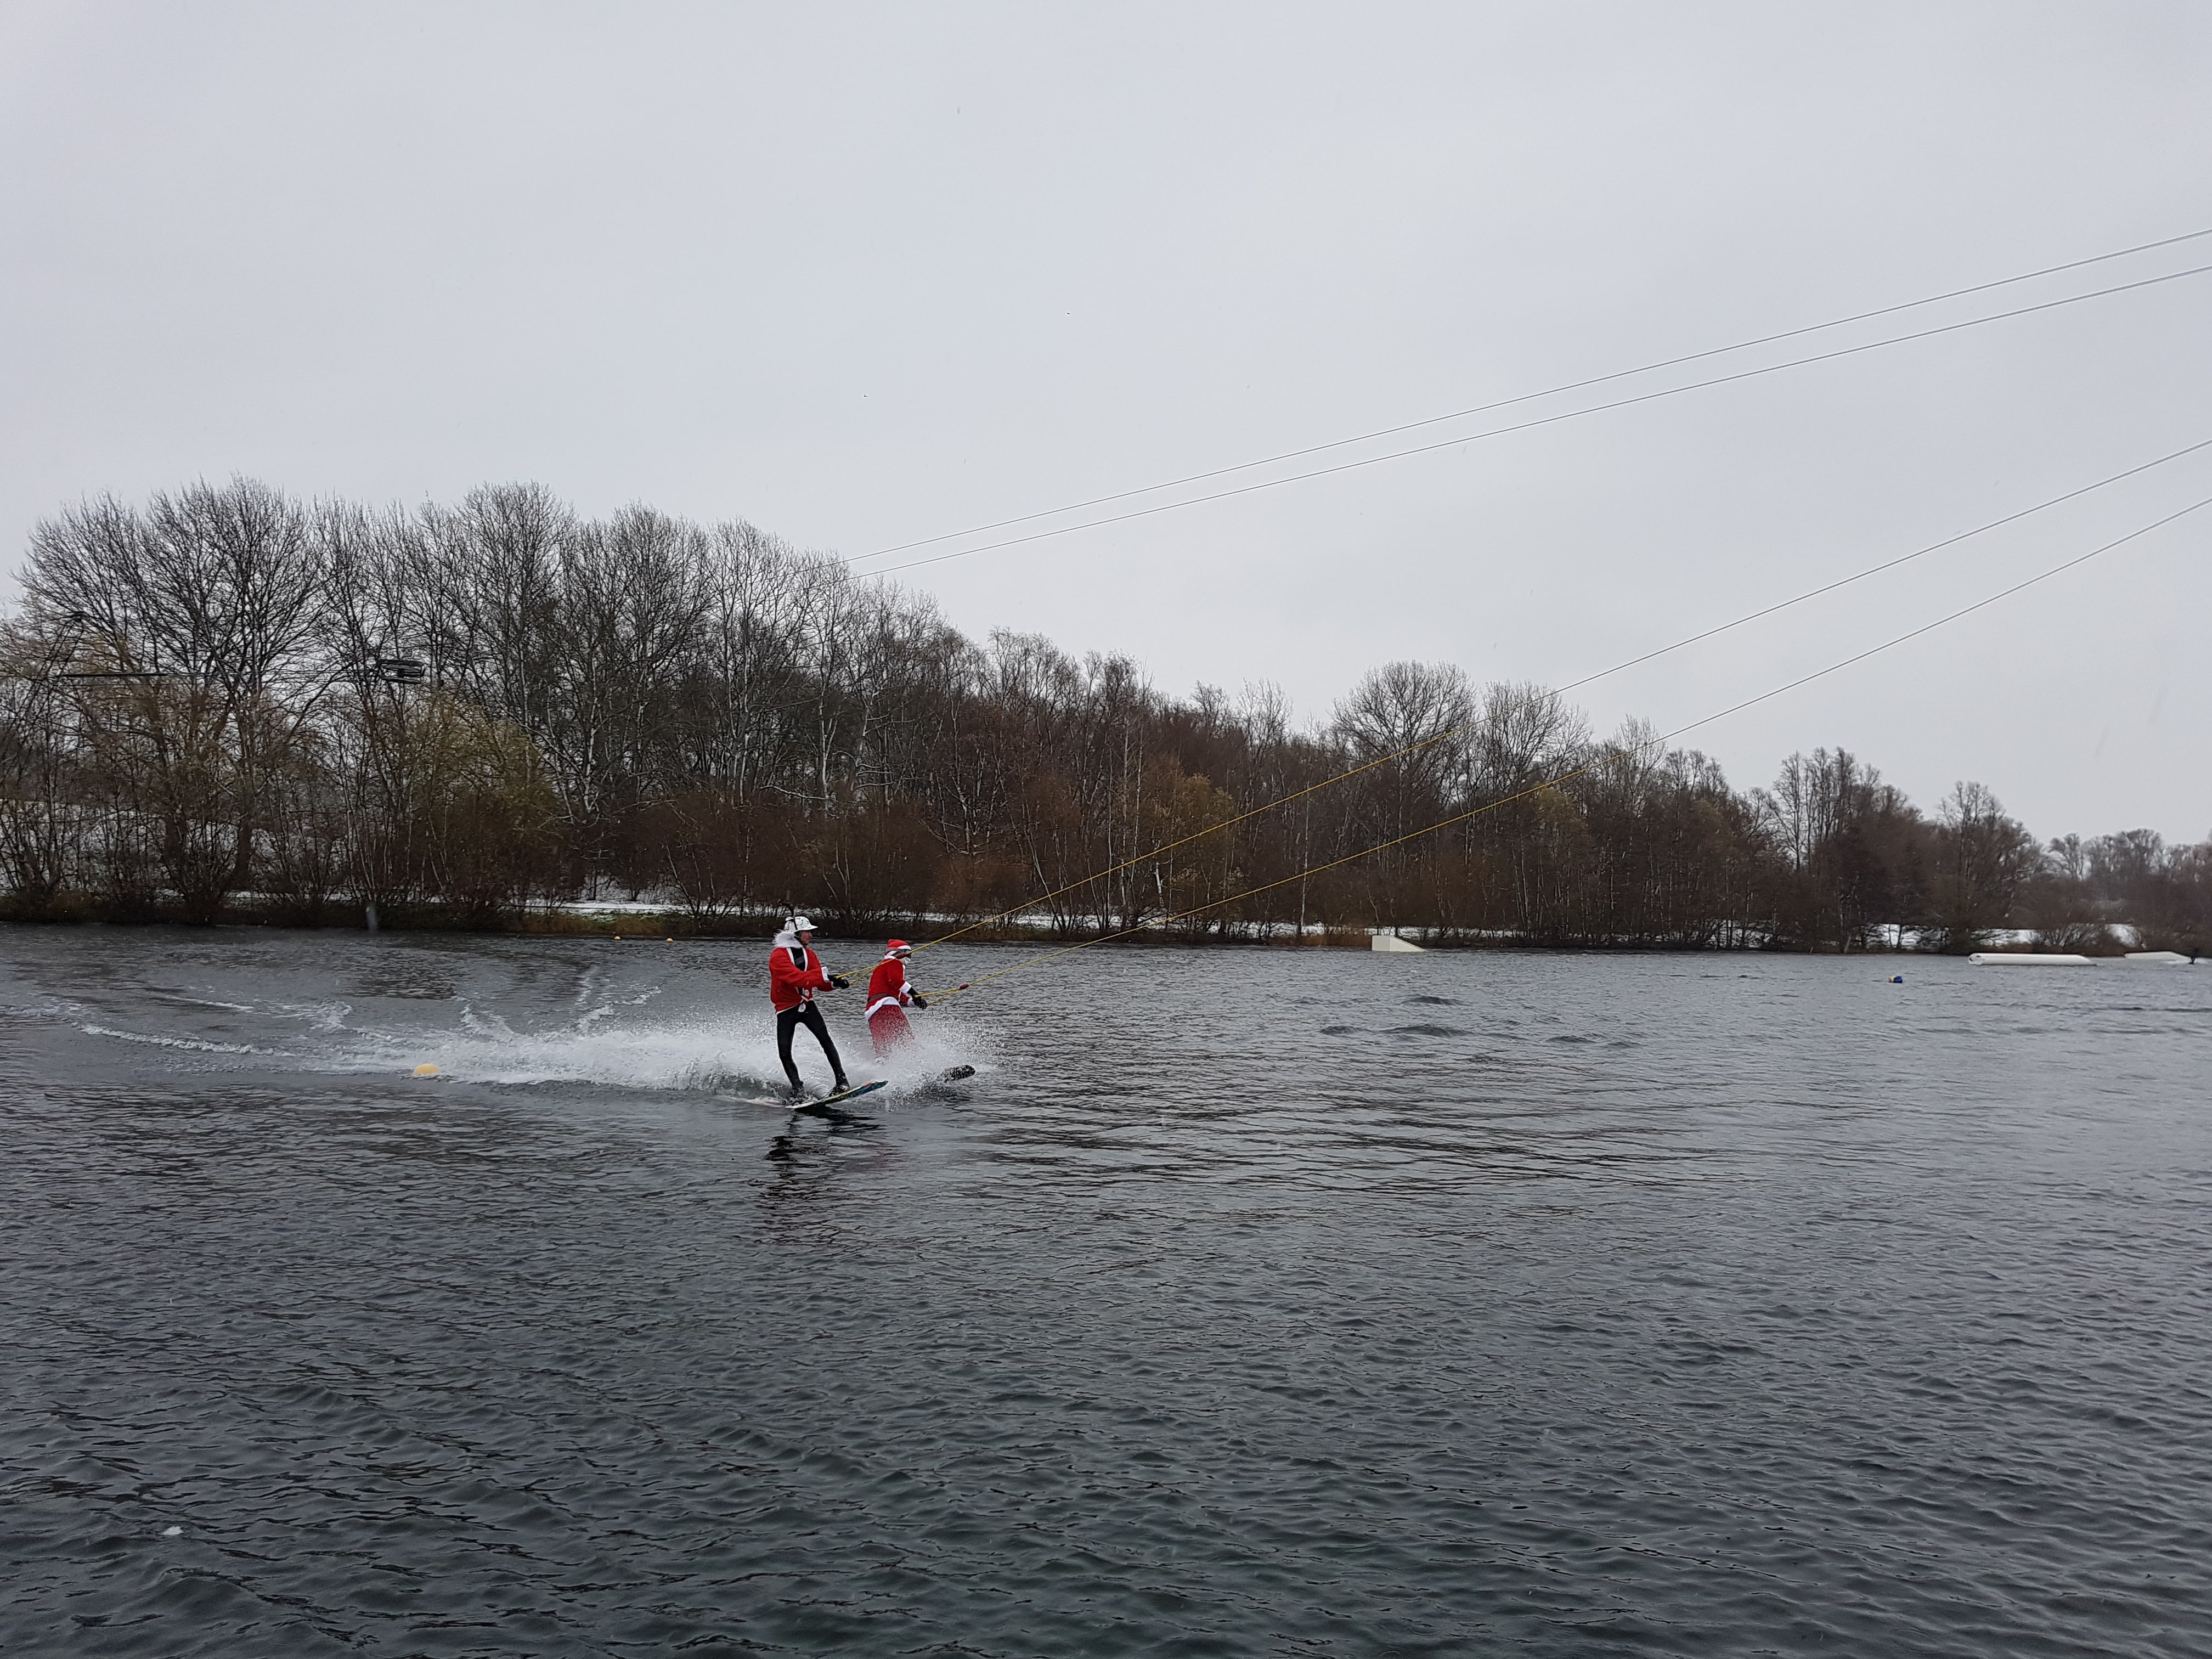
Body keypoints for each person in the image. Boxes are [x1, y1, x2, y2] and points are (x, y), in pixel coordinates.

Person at [770, 915, 850, 1099]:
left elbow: (820, 983)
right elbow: (796, 979)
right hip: (785, 1009)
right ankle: (798, 1089)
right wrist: (825, 976)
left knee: (826, 1040)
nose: (811, 936)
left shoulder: (810, 955)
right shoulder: (778, 956)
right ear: (796, 934)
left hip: (807, 1005)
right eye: (808, 932)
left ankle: (842, 1082)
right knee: (784, 1052)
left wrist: (835, 983)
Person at [864, 939, 927, 1056]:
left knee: (882, 1044)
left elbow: (898, 996)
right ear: (898, 953)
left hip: (873, 1011)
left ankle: (881, 1063)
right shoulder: (894, 962)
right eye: (908, 954)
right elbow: (895, 981)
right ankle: (916, 1060)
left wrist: (914, 1002)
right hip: (887, 1006)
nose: (910, 958)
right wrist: (914, 994)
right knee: (905, 1037)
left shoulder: (882, 967)